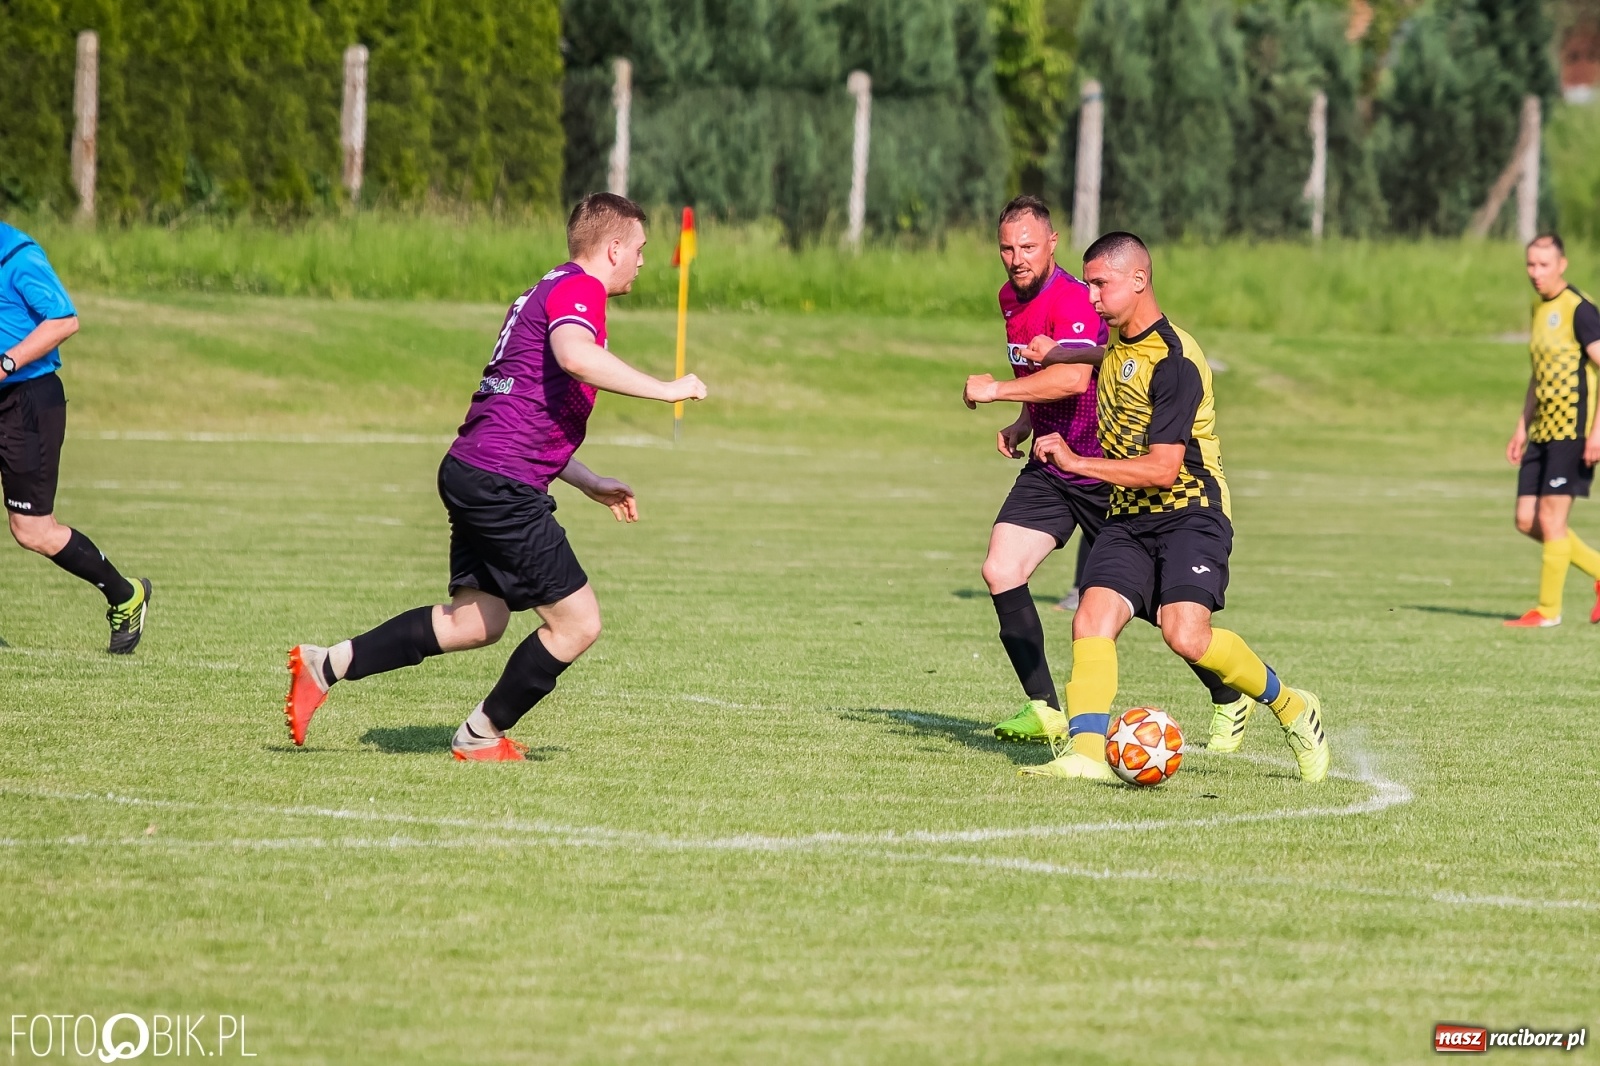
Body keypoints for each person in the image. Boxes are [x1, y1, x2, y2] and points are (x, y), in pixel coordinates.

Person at [282, 193, 707, 760]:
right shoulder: (580, 290)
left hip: (476, 469)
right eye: (639, 249)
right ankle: (481, 734)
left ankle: (323, 664)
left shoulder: (545, 287)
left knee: (477, 621)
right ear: (613, 248)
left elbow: (524, 409)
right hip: (500, 482)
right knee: (577, 624)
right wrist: (667, 389)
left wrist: (584, 479)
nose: (642, 261)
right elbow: (575, 356)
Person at [1023, 231, 1329, 782]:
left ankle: (1292, 706)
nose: (1090, 298)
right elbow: (1109, 357)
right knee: (1091, 619)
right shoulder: (1120, 342)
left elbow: (1164, 468)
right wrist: (1062, 351)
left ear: (1139, 281)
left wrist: (1076, 461)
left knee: (1185, 635)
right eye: (1088, 284)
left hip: (1190, 510)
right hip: (1129, 515)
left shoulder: (1177, 362)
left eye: (1101, 285)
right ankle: (1087, 754)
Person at [963, 197, 1249, 749]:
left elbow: (1073, 379)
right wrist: (1024, 420)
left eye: (1027, 246)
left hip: (1104, 470)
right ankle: (1046, 709)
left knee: (1160, 611)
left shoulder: (1077, 296)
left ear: (1052, 244)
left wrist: (997, 391)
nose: (1016, 258)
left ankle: (1226, 692)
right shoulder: (1009, 298)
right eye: (1006, 247)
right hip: (1051, 465)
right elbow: (1047, 374)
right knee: (1001, 568)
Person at [0, 222, 151, 653]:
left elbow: (64, 320)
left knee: (32, 530)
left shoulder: (18, 256)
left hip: (27, 400)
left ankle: (125, 595)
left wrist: (5, 364)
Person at [1503, 233, 1600, 627]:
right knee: (1527, 520)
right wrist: (1521, 426)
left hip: (1574, 430)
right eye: (1530, 264)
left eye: (1544, 265)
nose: (1536, 273)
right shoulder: (1537, 308)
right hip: (1543, 431)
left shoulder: (1580, 310)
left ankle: (1547, 611)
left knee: (1552, 519)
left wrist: (1597, 433)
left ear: (1562, 264)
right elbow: (1537, 374)